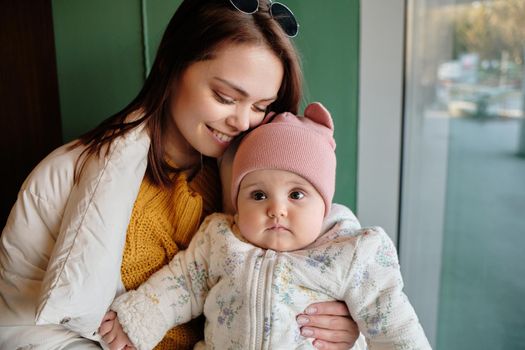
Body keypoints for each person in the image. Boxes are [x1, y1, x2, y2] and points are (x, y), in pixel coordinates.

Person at [0, 0, 359, 349]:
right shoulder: (63, 177)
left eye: (262, 107)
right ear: (173, 67)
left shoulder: (268, 182)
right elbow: (23, 330)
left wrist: (338, 327)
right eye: (225, 97)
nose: (243, 121)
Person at [99, 103, 431, 350]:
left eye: (297, 194)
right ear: (237, 201)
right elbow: (181, 283)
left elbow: (392, 320)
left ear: (324, 204)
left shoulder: (351, 253)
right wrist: (139, 318)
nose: (276, 209)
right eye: (258, 195)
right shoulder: (221, 240)